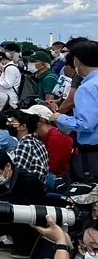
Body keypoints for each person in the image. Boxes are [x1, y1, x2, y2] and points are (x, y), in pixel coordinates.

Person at [0, 148, 49, 256]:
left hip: (35, 217)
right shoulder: (4, 180)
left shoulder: (28, 181)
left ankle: (29, 246)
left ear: (8, 166)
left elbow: (25, 206)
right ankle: (10, 240)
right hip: (20, 212)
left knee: (0, 207)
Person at [53, 41, 98, 181]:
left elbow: (85, 124)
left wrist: (59, 118)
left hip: (92, 153)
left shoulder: (87, 87)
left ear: (77, 61)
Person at [27, 104, 76, 186]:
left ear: (41, 120)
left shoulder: (56, 138)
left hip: (57, 180)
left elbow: (51, 167)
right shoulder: (40, 136)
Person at [8, 109, 50, 186]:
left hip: (27, 190)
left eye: (13, 122)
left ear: (23, 126)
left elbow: (17, 176)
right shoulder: (38, 142)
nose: (10, 124)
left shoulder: (24, 145)